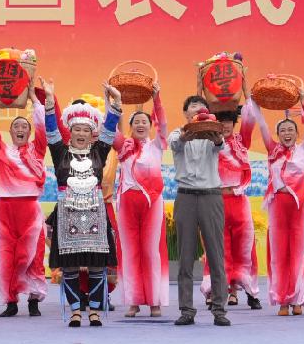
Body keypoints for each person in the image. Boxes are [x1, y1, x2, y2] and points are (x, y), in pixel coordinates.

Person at [43, 79, 122, 327]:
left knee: (97, 265)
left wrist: (117, 102)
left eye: (85, 130)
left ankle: (95, 311)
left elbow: (110, 128)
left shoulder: (99, 151)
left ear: (91, 134)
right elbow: (51, 130)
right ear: (71, 131)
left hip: (95, 215)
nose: (80, 133)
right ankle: (76, 311)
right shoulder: (60, 152)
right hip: (68, 216)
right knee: (70, 266)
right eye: (76, 129)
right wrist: (49, 101)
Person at [248, 94, 304, 316]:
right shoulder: (273, 151)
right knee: (279, 254)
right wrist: (255, 104)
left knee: (299, 252)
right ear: (278, 135)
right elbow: (262, 124)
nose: (287, 133)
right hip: (278, 205)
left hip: (299, 207)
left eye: (291, 130)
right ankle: (282, 300)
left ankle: (298, 299)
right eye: (283, 131)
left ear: (297, 134)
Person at [0, 93, 49, 318]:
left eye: (24, 126)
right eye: (16, 126)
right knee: (6, 256)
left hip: (30, 210)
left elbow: (42, 127)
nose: (20, 129)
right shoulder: (1, 150)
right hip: (5, 211)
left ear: (29, 132)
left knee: (35, 256)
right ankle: (10, 301)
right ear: (10, 132)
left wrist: (34, 99)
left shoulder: (37, 150)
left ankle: (34, 301)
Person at [169, 95, 231, 326]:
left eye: (202, 107)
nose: (198, 109)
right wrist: (185, 136)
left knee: (215, 254)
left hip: (210, 195)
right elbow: (175, 144)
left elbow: (221, 146)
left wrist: (217, 138)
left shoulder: (213, 133)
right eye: (193, 106)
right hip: (185, 195)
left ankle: (219, 309)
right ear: (186, 113)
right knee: (185, 256)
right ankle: (186, 310)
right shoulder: (177, 133)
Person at [112, 84, 169, 317]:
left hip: (152, 203)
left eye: (144, 121)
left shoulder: (157, 146)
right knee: (130, 251)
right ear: (131, 126)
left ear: (149, 125)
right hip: (127, 203)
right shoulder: (123, 147)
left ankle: (155, 301)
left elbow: (163, 123)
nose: (141, 124)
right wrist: (113, 102)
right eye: (136, 122)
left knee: (151, 251)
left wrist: (157, 98)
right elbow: (111, 127)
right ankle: (133, 301)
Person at [210, 106, 262, 309]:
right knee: (220, 248)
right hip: (217, 201)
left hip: (238, 200)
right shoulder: (210, 144)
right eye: (221, 122)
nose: (225, 126)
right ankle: (222, 292)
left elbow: (250, 117)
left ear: (233, 124)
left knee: (245, 248)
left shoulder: (242, 141)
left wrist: (247, 93)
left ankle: (251, 292)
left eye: (229, 122)